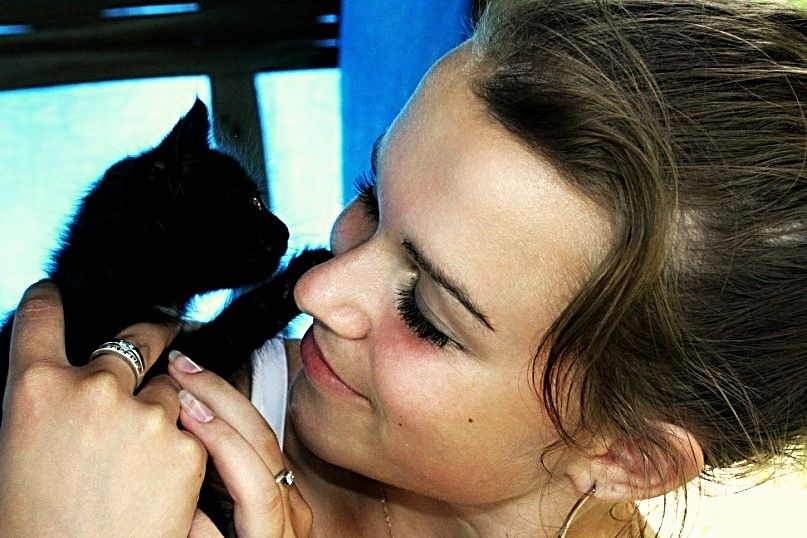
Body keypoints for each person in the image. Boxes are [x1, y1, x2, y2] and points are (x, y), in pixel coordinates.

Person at [2, 0, 806, 535]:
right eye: (370, 199)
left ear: (628, 455)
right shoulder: (114, 431)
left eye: (427, 313)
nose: (315, 288)